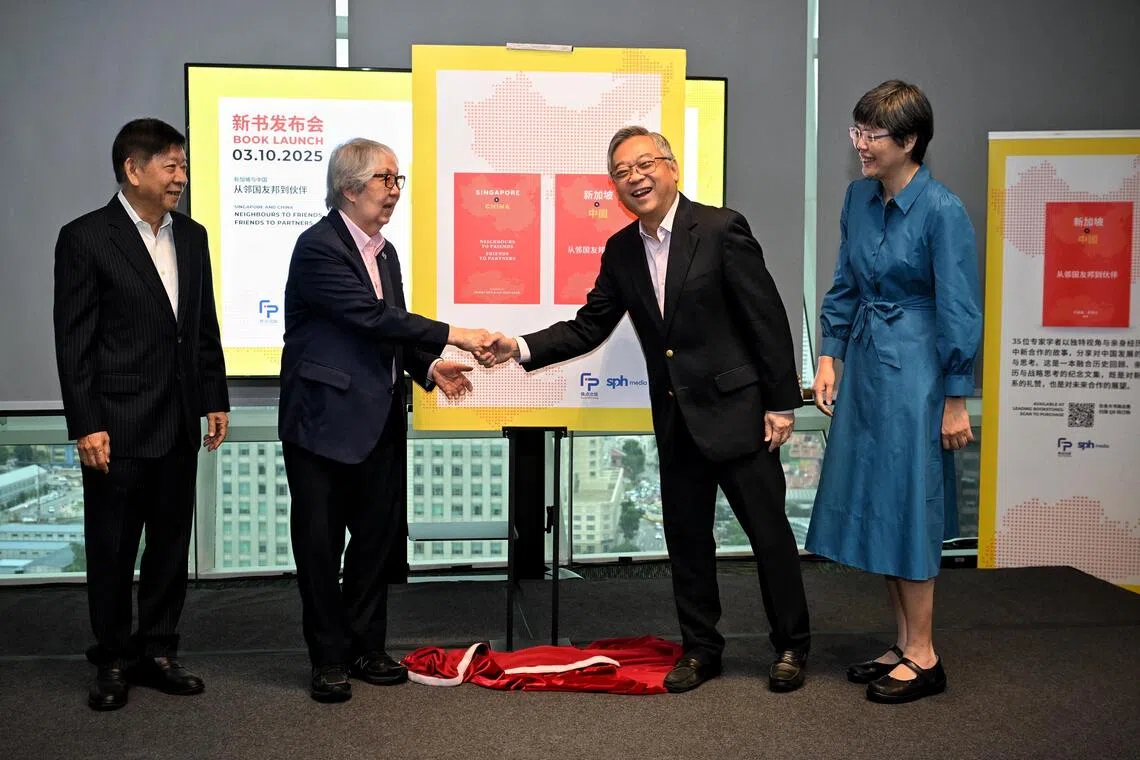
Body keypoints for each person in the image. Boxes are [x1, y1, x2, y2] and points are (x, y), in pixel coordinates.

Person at [485, 126, 811, 693]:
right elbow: (590, 327)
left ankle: (790, 646)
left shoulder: (719, 228)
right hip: (677, 420)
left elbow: (767, 317)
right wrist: (520, 347)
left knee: (769, 536)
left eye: (644, 165)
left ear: (672, 168)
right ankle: (702, 650)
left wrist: (781, 402)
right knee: (686, 542)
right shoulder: (621, 250)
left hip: (739, 414)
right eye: (621, 172)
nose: (634, 178)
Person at [279, 138, 492, 703]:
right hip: (322, 423)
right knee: (321, 548)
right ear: (349, 189)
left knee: (375, 543)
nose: (396, 191)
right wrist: (455, 334)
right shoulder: (317, 248)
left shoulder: (386, 251)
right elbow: (367, 315)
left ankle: (366, 646)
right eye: (385, 179)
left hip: (377, 421)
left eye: (399, 180)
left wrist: (427, 368)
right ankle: (328, 658)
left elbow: (386, 331)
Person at [805, 80, 982, 704]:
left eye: (870, 135)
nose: (859, 145)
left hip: (919, 371)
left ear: (908, 141)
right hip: (869, 364)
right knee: (881, 502)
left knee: (911, 503)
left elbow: (961, 308)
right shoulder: (858, 197)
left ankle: (926, 656)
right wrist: (830, 356)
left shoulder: (943, 210)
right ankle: (903, 642)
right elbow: (843, 282)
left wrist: (956, 396)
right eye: (856, 132)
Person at [53, 118, 230, 711]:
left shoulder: (194, 235)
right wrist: (86, 422)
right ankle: (113, 658)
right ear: (134, 169)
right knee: (111, 549)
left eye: (183, 166)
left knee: (169, 548)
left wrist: (215, 396)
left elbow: (201, 328)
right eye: (171, 166)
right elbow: (74, 342)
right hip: (116, 427)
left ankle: (157, 651)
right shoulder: (85, 238)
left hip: (178, 421)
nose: (181, 177)